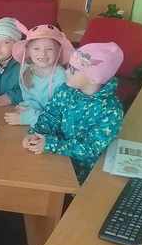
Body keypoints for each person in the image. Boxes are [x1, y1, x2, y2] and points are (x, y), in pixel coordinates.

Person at [23, 42, 124, 184]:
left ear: (94, 78)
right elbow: (50, 116)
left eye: (73, 70)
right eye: (68, 67)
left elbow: (91, 148)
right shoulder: (66, 90)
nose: (66, 72)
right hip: (52, 156)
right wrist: (36, 134)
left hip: (81, 174)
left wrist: (51, 144)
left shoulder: (111, 111)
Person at [5, 23, 73, 126]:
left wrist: (28, 118)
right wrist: (28, 108)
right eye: (36, 48)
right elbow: (30, 99)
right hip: (36, 120)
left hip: (48, 126)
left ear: (58, 51)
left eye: (49, 49)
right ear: (28, 51)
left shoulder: (62, 77)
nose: (43, 54)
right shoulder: (26, 69)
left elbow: (61, 117)